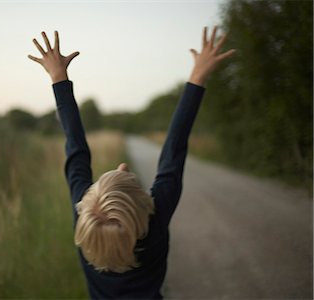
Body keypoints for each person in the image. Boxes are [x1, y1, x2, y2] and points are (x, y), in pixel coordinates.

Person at [28, 27, 235, 299]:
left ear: (87, 203)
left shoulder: (87, 225)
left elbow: (76, 149)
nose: (122, 166)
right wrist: (198, 76)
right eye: (128, 178)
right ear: (144, 208)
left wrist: (58, 77)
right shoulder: (153, 220)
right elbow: (174, 148)